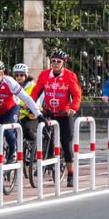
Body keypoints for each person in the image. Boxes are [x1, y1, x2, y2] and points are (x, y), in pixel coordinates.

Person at [27, 50, 83, 184]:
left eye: (58, 61)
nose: (55, 64)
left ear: (63, 63)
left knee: (66, 142)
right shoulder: (45, 75)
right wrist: (30, 104)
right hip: (49, 112)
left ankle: (70, 174)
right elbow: (36, 91)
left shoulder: (70, 76)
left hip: (64, 114)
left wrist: (73, 108)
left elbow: (77, 94)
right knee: (46, 138)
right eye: (53, 61)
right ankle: (45, 162)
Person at [0, 59, 40, 165]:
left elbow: (26, 98)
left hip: (11, 109)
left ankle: (13, 152)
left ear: (2, 74)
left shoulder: (10, 82)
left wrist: (38, 114)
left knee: (8, 130)